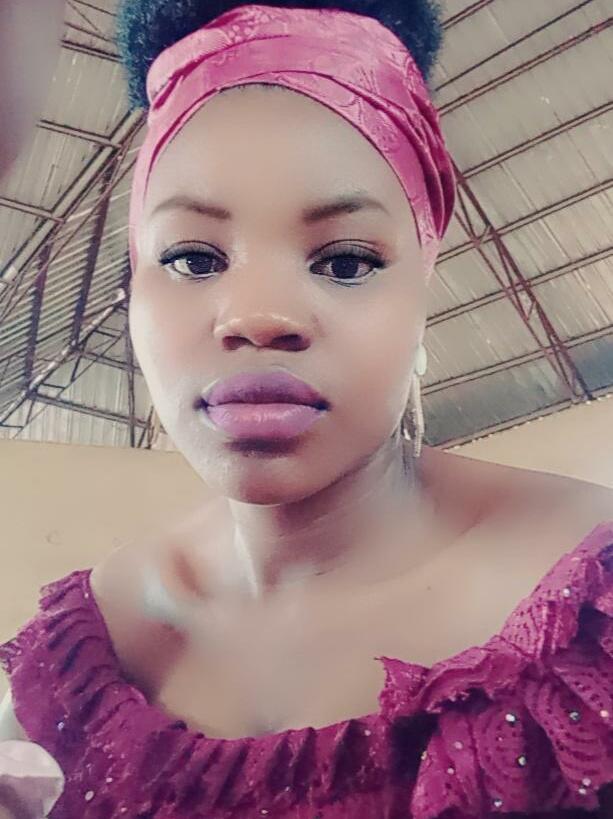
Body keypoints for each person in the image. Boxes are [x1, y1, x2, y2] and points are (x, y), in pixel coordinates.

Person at [1, 0, 613, 816]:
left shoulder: (590, 612)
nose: (257, 315)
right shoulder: (72, 661)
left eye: (346, 261)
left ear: (422, 288)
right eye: (191, 258)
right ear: (131, 288)